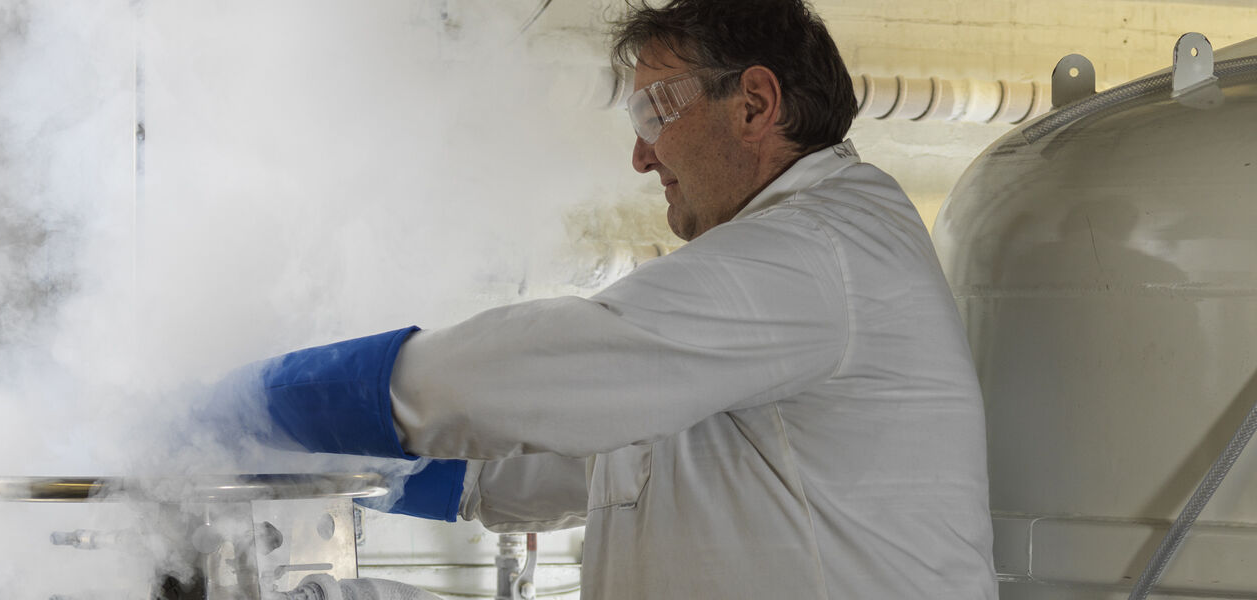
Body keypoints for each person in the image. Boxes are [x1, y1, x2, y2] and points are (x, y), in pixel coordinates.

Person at [247, 0, 996, 597]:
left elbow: (558, 363)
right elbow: (585, 460)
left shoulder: (821, 250)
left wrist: (269, 400)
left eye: (654, 114)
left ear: (755, 103)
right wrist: (330, 464)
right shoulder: (775, 295)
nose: (640, 155)